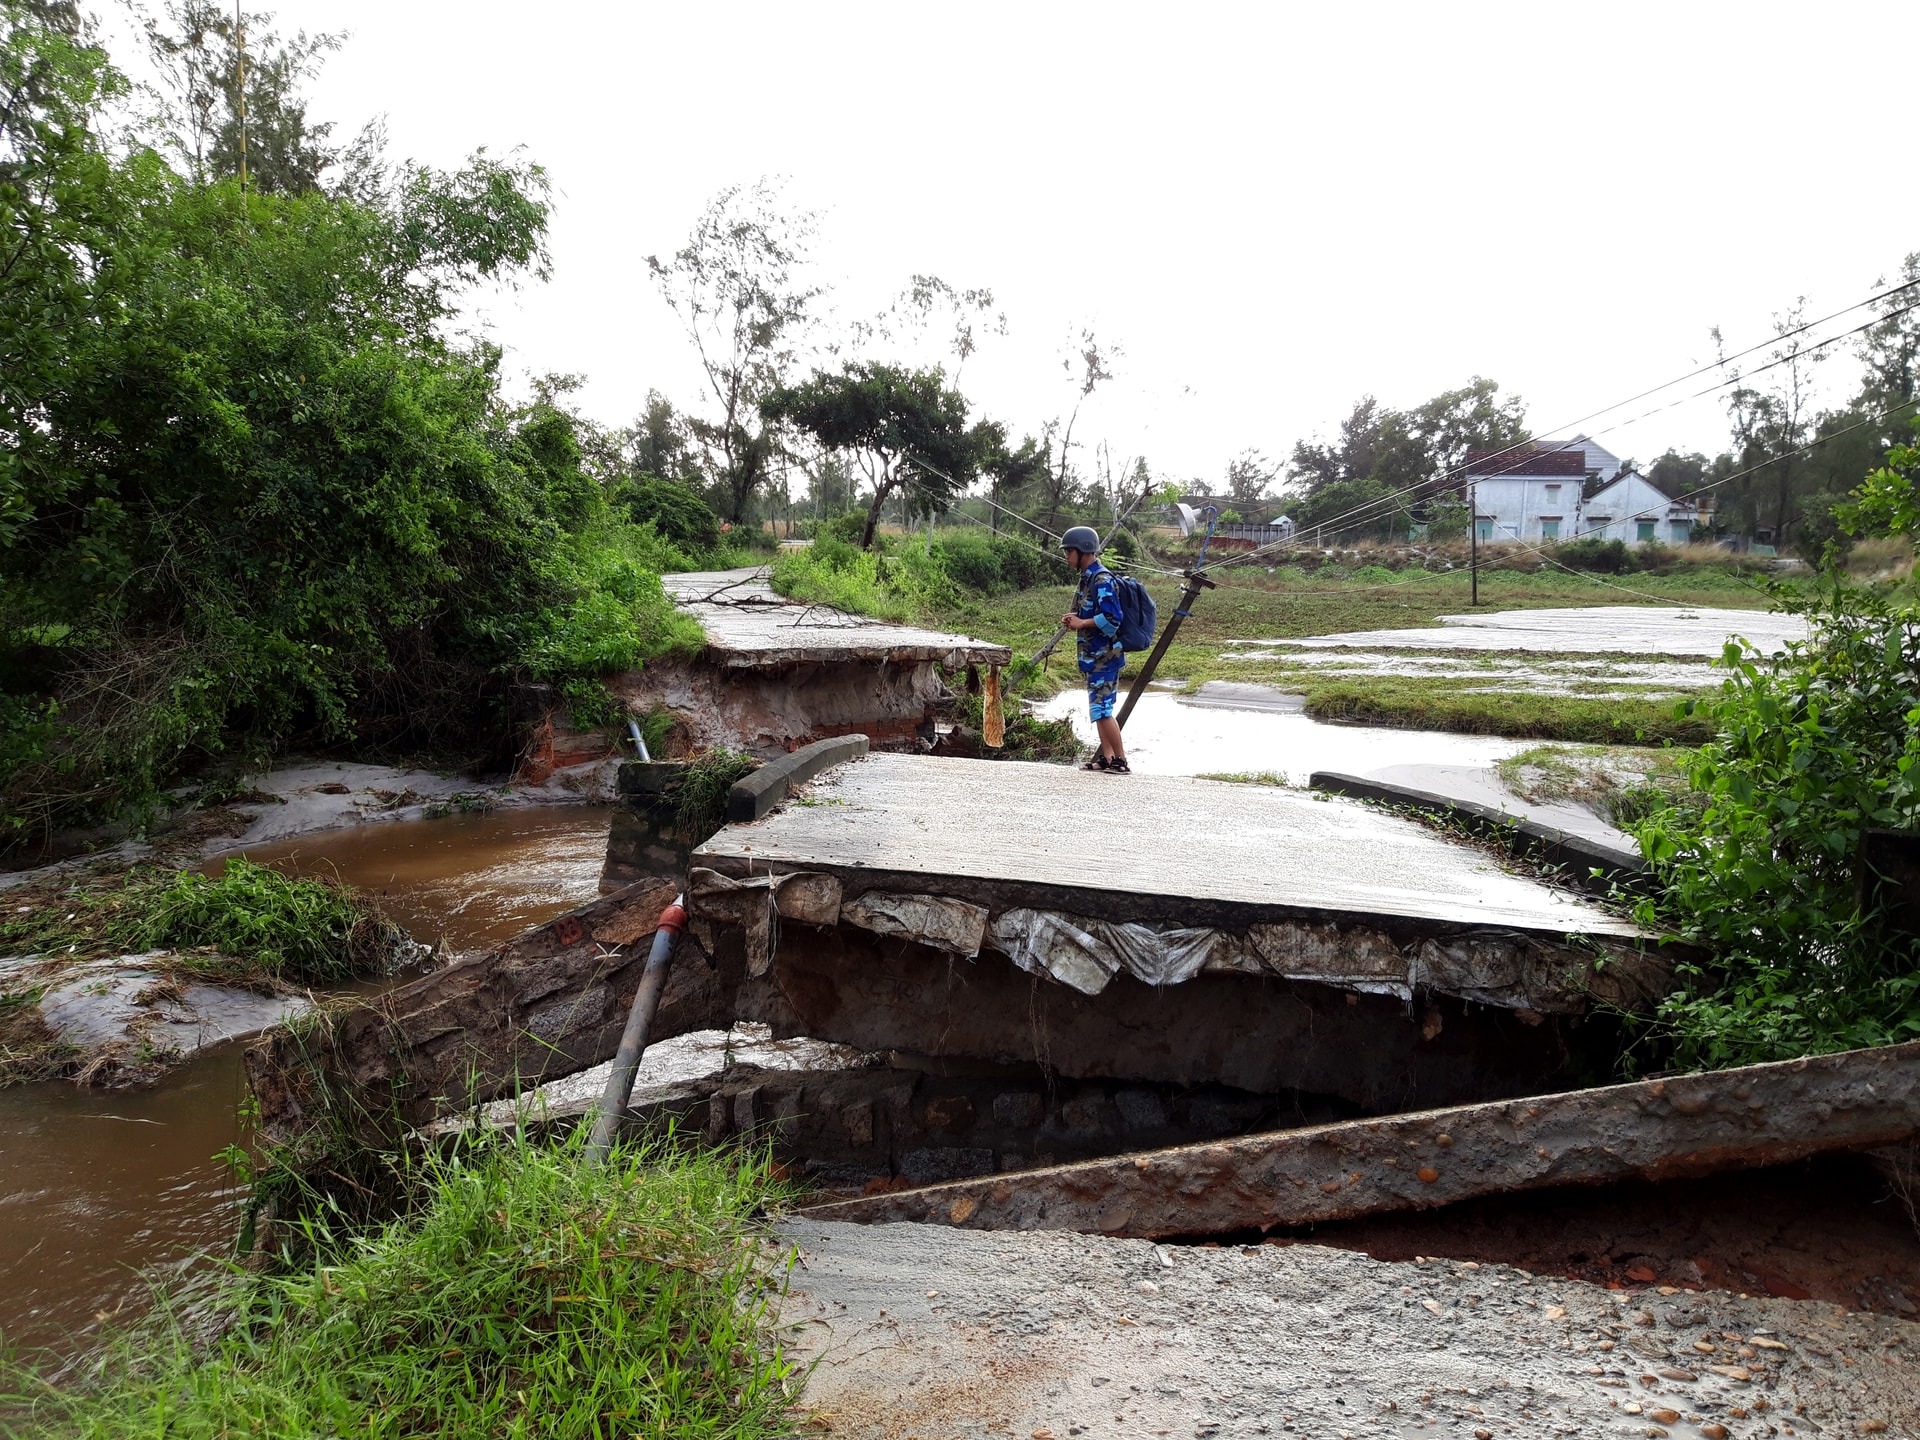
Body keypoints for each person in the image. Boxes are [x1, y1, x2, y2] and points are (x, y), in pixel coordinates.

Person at [1059, 525, 1130, 773]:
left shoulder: (1102, 579)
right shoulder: (1087, 578)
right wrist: (1076, 618)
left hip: (1105, 657)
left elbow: (1113, 618)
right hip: (1093, 657)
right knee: (1098, 710)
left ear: (1084, 551)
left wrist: (1083, 622)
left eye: (1069, 552)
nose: (1066, 557)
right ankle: (1107, 758)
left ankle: (1120, 760)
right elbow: (1093, 612)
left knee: (1104, 710)